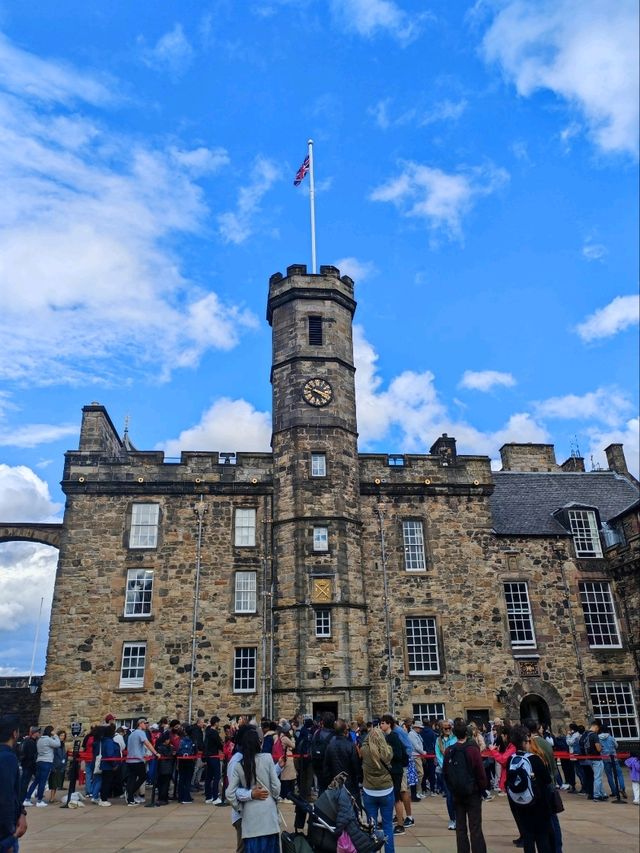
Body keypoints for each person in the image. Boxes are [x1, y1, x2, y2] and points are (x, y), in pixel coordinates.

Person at [227, 727, 281, 853]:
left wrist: (239, 807)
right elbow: (276, 786)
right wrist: (275, 797)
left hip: (250, 816)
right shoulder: (267, 758)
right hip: (268, 815)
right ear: (258, 743)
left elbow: (229, 793)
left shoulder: (239, 764)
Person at [506, 725, 554, 853]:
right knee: (542, 837)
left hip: (520, 803)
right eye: (528, 740)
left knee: (528, 837)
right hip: (538, 803)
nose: (529, 743)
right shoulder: (534, 759)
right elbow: (547, 780)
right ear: (524, 741)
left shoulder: (511, 759)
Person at [443, 717, 487, 853]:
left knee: (461, 828)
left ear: (454, 733)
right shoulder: (473, 750)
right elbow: (480, 772)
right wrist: (482, 788)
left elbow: (446, 774)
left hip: (457, 793)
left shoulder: (449, 750)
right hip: (472, 792)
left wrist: (452, 788)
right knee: (475, 828)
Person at [360, 725, 395, 853]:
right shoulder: (388, 751)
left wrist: (369, 736)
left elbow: (363, 743)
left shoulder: (364, 750)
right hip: (386, 790)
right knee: (388, 826)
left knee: (371, 827)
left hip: (369, 791)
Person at [379, 714, 411, 835]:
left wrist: (387, 757)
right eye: (381, 723)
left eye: (383, 723)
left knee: (396, 797)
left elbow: (398, 755)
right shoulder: (387, 737)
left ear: (389, 724)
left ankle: (400, 824)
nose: (381, 725)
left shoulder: (393, 737)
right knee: (390, 797)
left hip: (396, 771)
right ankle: (391, 820)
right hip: (391, 771)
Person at [0, 715, 27, 853]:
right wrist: (7, 839)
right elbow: (6, 797)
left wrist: (22, 812)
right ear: (14, 733)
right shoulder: (8, 758)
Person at [323, 719, 360, 806]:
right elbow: (356, 765)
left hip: (336, 782)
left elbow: (326, 767)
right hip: (349, 782)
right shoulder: (350, 745)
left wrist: (329, 781)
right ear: (345, 731)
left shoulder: (330, 746)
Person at [125, 718, 159, 806]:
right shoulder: (141, 733)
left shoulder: (132, 734)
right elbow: (147, 743)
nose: (146, 725)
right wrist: (155, 753)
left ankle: (130, 798)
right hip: (137, 760)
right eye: (145, 723)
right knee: (142, 777)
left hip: (130, 759)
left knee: (132, 779)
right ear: (140, 724)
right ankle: (130, 793)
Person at [26, 725, 60, 807]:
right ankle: (39, 800)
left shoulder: (40, 739)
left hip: (39, 761)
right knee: (42, 782)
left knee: (36, 781)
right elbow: (58, 744)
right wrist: (55, 735)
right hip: (46, 762)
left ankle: (27, 799)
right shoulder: (48, 740)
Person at [436, 719, 458, 830]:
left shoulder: (455, 739)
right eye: (445, 728)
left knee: (457, 796)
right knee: (449, 796)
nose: (448, 729)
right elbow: (438, 755)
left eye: (449, 727)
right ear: (442, 729)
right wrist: (445, 765)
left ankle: (459, 818)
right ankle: (452, 819)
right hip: (445, 771)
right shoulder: (438, 740)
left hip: (456, 770)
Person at [311, 712, 335, 795]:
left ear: (322, 722)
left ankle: (321, 806)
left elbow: (312, 746)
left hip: (318, 765)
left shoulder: (316, 733)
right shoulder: (335, 736)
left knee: (321, 788)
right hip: (330, 768)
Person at [98, 723, 121, 806]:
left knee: (105, 782)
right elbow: (110, 754)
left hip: (106, 765)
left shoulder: (105, 741)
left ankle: (103, 798)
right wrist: (114, 765)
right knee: (106, 783)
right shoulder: (109, 742)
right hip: (108, 765)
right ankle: (103, 799)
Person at [204, 716, 223, 805]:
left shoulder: (207, 732)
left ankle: (208, 797)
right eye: (218, 722)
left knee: (208, 777)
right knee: (217, 776)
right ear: (215, 723)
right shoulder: (214, 733)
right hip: (214, 756)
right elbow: (219, 744)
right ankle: (215, 797)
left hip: (208, 756)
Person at [19, 728, 39, 806]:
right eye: (38, 732)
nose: (39, 734)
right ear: (34, 733)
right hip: (28, 765)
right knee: (24, 783)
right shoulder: (30, 742)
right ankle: (22, 800)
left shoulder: (29, 740)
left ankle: (22, 799)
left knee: (24, 782)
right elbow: (31, 756)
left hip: (26, 765)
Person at [47, 731, 67, 803]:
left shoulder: (62, 744)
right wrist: (53, 766)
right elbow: (54, 755)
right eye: (61, 735)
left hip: (60, 766)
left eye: (63, 735)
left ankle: (53, 797)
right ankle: (52, 798)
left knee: (56, 783)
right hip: (55, 765)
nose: (62, 737)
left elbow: (64, 754)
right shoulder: (55, 744)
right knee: (53, 783)